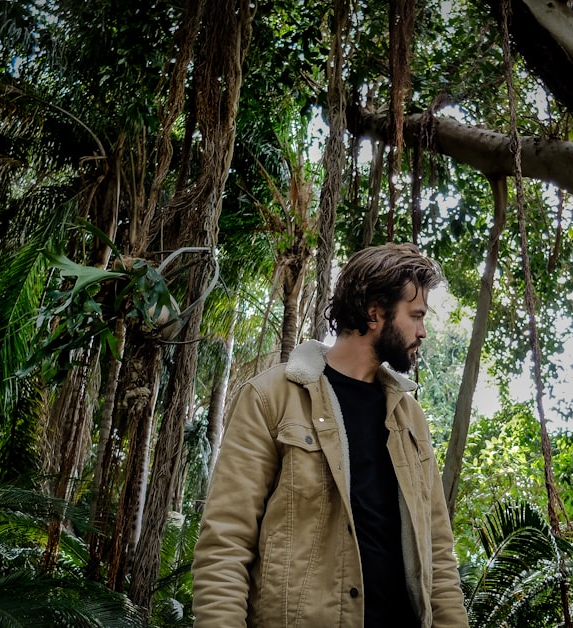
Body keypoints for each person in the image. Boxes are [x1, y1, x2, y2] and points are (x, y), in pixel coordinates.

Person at [191, 243, 469, 627]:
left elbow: (438, 553)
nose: (422, 331)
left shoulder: (410, 417)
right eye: (415, 315)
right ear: (375, 312)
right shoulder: (271, 398)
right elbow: (225, 543)